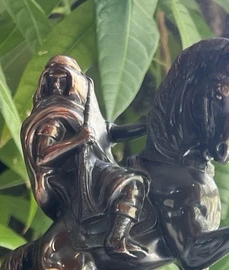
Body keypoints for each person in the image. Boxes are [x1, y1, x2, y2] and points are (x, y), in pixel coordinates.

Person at [22, 55, 148, 258]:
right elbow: (42, 156)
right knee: (132, 184)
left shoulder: (80, 111)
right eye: (51, 79)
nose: (55, 84)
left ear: (73, 82)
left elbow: (109, 133)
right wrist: (77, 140)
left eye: (61, 79)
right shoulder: (52, 117)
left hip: (91, 169)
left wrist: (145, 127)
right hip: (70, 179)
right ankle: (116, 239)